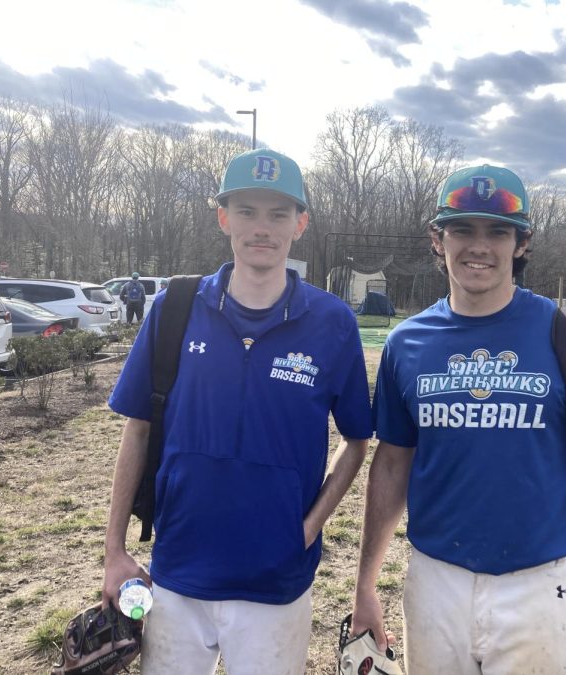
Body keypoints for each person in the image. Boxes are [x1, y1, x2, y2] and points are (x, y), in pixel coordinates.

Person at [352, 164, 566, 674]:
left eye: (497, 232)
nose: (478, 246)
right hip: (435, 580)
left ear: (521, 243)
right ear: (438, 240)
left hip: (544, 585)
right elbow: (392, 466)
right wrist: (365, 587)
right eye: (462, 229)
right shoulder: (406, 343)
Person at [103, 148, 373, 674]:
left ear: (301, 223)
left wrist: (309, 528)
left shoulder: (333, 323)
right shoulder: (175, 308)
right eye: (247, 211)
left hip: (276, 579)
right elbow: (137, 430)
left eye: (278, 214)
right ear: (224, 217)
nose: (262, 228)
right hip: (178, 572)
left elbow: (357, 442)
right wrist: (114, 550)